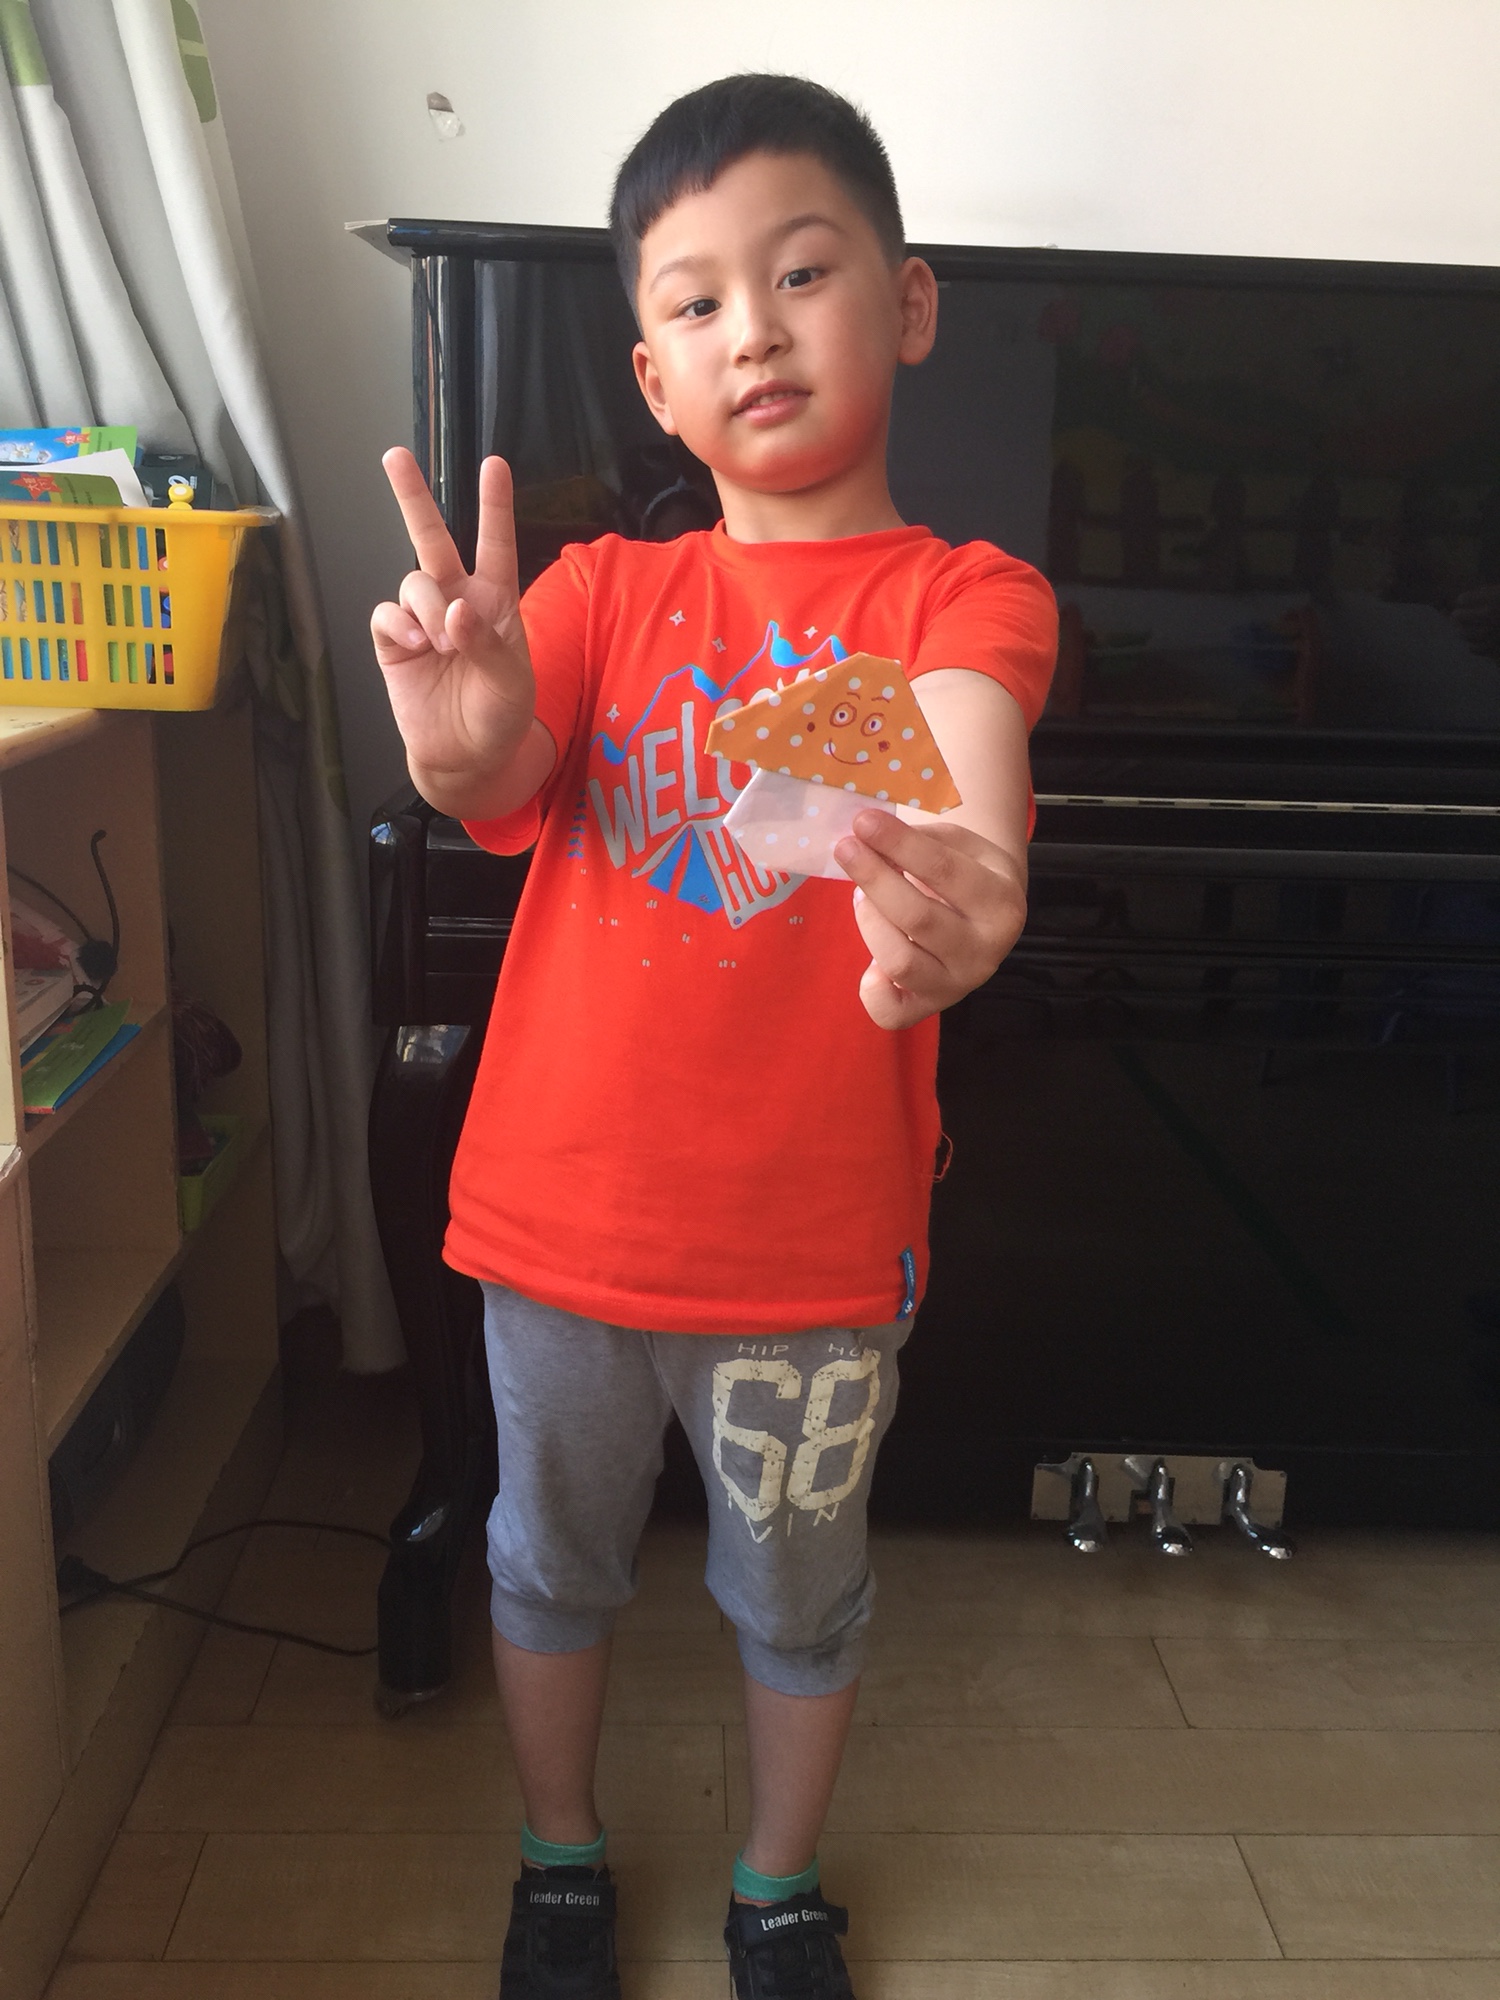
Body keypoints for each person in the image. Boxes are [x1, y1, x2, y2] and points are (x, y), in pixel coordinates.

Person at [370, 72, 1057, 2000]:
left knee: (800, 1602)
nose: (751, 327)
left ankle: (776, 1887)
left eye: (802, 272)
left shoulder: (961, 595)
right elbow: (494, 763)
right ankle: (559, 1862)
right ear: (654, 380)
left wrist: (976, 882)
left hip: (809, 1261)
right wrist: (455, 735)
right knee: (543, 1569)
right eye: (695, 301)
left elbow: (969, 762)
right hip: (559, 1233)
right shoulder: (603, 592)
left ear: (907, 304)